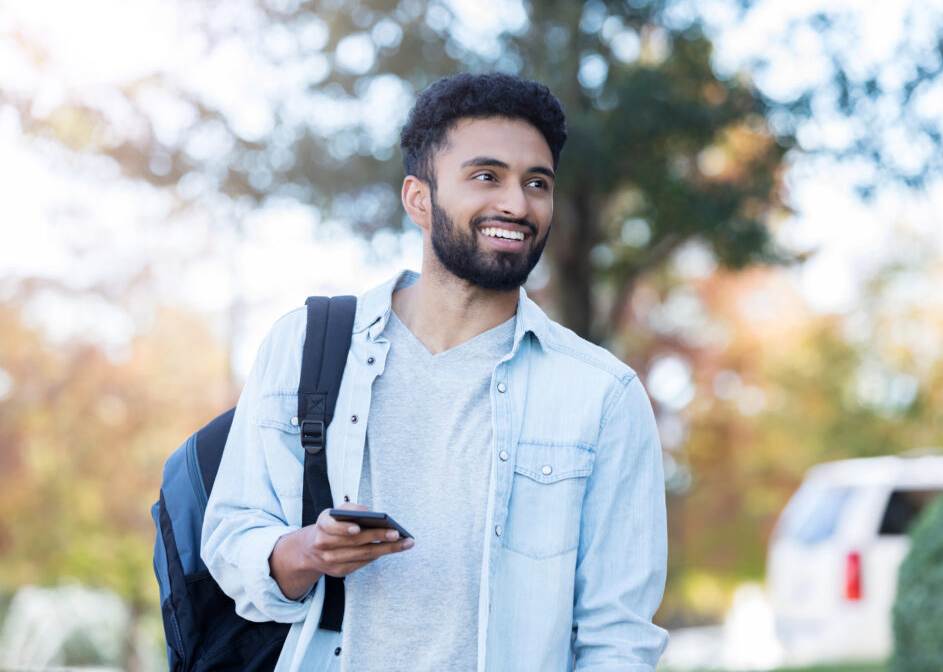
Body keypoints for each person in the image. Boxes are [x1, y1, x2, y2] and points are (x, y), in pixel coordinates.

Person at [201, 72, 668, 671]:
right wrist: (307, 551)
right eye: (486, 176)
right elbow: (231, 536)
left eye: (537, 183)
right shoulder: (307, 345)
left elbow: (618, 639)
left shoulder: (602, 395)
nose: (517, 204)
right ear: (418, 199)